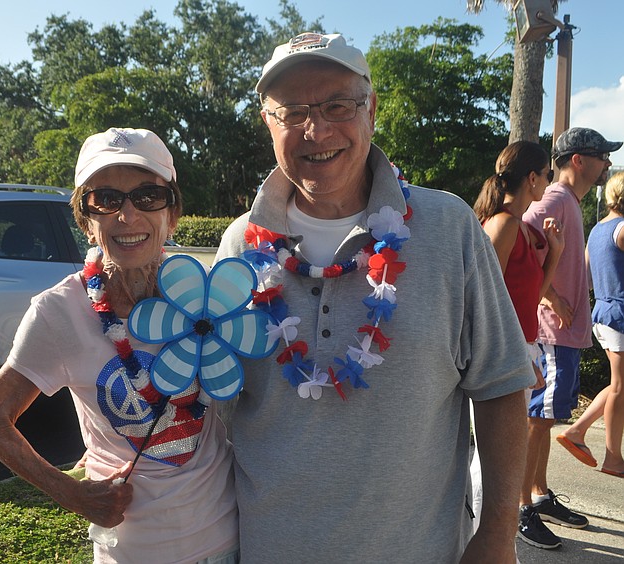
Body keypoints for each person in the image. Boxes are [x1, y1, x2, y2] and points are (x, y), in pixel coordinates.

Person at [215, 32, 534, 563]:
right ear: (267, 122)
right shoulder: (238, 244)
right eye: (292, 112)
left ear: (372, 109)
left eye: (338, 105)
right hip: (271, 548)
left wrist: (499, 534)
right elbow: (220, 406)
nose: (316, 130)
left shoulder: (449, 227)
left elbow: (502, 386)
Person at [0, 127, 239, 563]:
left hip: (226, 537)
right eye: (107, 199)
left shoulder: (202, 294)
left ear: (172, 214)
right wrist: (71, 493)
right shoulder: (58, 312)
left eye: (149, 196)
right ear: (86, 220)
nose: (129, 215)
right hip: (133, 552)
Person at [520, 127, 622, 547]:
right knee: (538, 418)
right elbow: (517, 242)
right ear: (578, 160)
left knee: (546, 419)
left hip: (564, 333)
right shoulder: (557, 198)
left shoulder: (569, 203)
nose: (607, 164)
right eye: (601, 156)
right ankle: (520, 506)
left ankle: (540, 494)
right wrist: (550, 297)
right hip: (552, 333)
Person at [472, 141, 565, 549]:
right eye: (547, 174)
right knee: (494, 453)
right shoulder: (504, 225)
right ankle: (484, 541)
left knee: (500, 451)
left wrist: (556, 255)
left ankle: (489, 541)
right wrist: (515, 358)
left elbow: (528, 297)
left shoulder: (521, 228)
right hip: (501, 353)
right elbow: (482, 300)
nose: (550, 180)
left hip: (519, 348)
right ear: (532, 178)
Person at [557, 171, 624, 479]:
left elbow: (587, 276)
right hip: (619, 315)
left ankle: (577, 431)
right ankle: (613, 458)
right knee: (620, 387)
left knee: (617, 385)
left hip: (603, 312)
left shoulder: (598, 229)